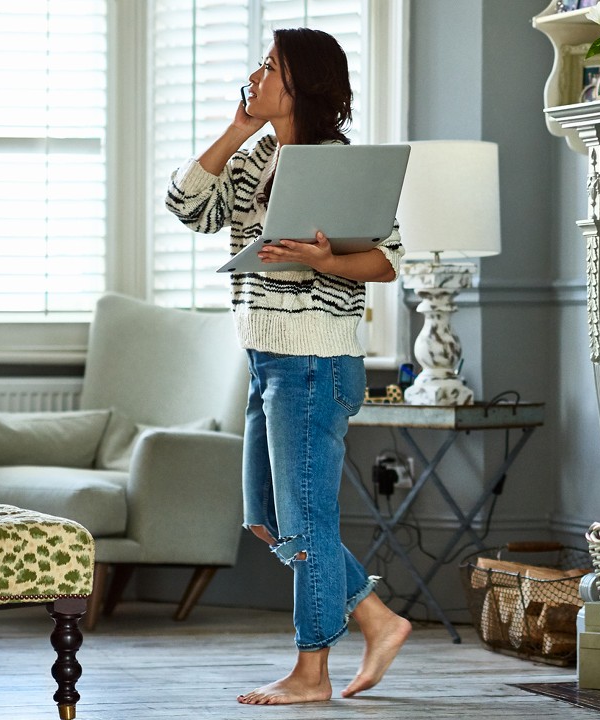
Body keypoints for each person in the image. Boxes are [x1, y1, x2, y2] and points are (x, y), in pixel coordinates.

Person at [164, 27, 412, 706]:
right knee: (269, 518)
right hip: (266, 355)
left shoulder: (339, 164)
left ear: (300, 83)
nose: (256, 73)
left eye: (270, 66)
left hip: (314, 357)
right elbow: (186, 206)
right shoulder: (256, 160)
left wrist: (323, 260)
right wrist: (235, 128)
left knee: (304, 520)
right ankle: (376, 618)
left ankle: (312, 672)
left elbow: (388, 260)